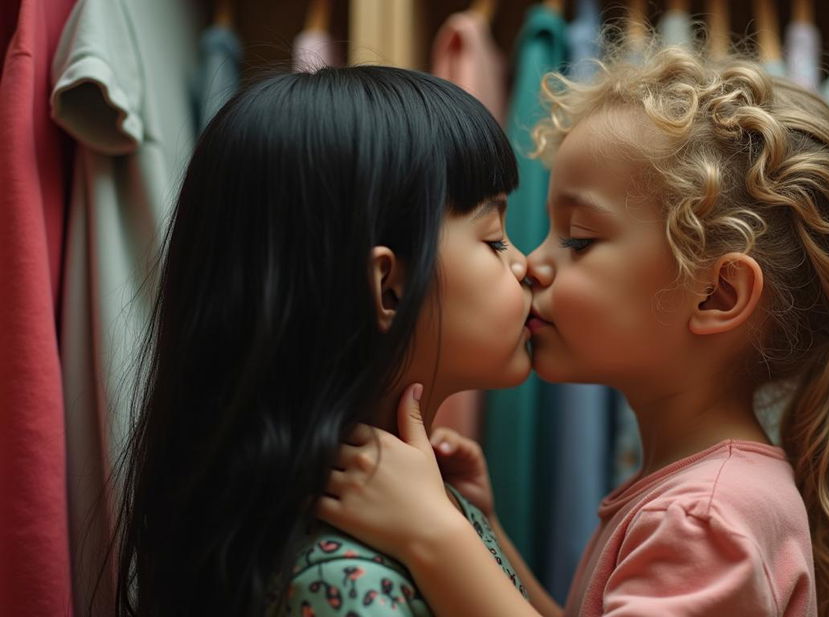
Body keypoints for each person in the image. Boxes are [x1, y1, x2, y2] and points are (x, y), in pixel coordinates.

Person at [320, 43, 829, 617]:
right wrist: (480, 527)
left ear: (718, 294)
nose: (531, 262)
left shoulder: (703, 516)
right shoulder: (695, 491)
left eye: (578, 239)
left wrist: (433, 535)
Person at [111, 65, 532, 617]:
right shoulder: (344, 584)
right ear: (389, 289)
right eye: (495, 238)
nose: (525, 264)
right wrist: (438, 534)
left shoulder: (417, 507)